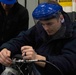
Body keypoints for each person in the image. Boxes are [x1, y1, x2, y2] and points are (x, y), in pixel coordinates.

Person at [0, 1, 76, 75]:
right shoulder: (39, 28)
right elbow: (22, 38)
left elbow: (68, 63)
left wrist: (37, 58)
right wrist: (6, 49)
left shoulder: (72, 34)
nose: (46, 28)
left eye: (49, 24)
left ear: (61, 18)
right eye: (43, 24)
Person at [0, 0, 29, 74]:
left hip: (10, 52)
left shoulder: (22, 12)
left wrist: (7, 50)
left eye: (8, 4)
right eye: (3, 3)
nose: (5, 6)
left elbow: (21, 38)